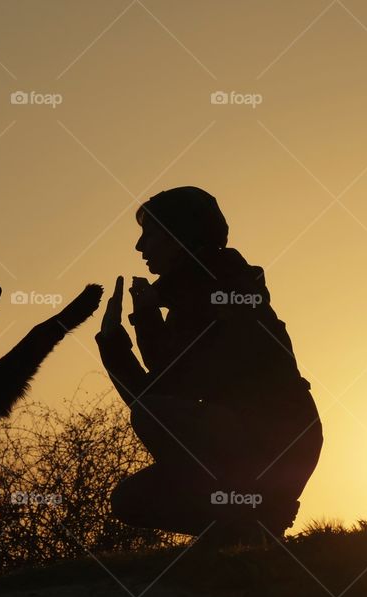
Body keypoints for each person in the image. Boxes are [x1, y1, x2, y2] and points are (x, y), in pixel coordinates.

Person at [95, 186, 322, 544]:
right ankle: (240, 530)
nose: (140, 248)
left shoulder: (225, 292)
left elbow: (168, 392)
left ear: (179, 237)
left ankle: (255, 516)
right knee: (129, 500)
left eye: (149, 235)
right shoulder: (192, 298)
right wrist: (114, 343)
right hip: (239, 440)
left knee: (152, 414)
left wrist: (146, 321)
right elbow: (158, 397)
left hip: (277, 442)